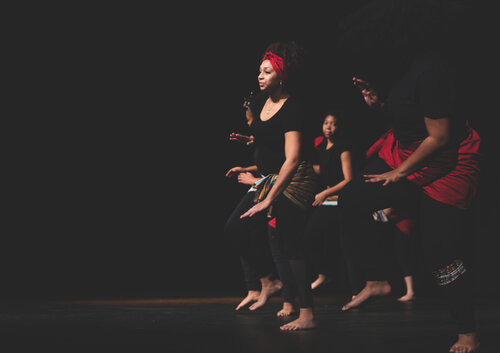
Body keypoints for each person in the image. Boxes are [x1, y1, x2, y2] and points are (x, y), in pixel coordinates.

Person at [336, 1, 481, 351]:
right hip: (404, 149)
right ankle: (376, 281)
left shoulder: (432, 68)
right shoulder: (395, 67)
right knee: (351, 200)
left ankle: (468, 332)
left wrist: (400, 173)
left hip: (447, 161)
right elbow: (406, 112)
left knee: (440, 255)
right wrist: (376, 103)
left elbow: (440, 137)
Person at [224, 41, 319, 331]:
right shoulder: (259, 103)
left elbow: (291, 159)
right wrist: (252, 144)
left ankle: (307, 314)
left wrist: (268, 200)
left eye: (267, 72)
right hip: (267, 179)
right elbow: (271, 143)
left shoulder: (293, 109)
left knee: (291, 247)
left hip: (293, 181)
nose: (260, 76)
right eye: (259, 71)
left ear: (283, 75)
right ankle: (269, 280)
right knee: (234, 230)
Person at [226, 94, 296, 317]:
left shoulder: (282, 133)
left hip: (277, 187)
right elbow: (267, 161)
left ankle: (286, 299)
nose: (248, 125)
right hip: (263, 184)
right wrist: (246, 167)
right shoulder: (263, 138)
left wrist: (255, 180)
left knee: (278, 245)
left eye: (250, 121)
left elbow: (285, 167)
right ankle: (258, 286)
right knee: (238, 231)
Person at [302, 111, 360, 296]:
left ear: (339, 127)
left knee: (346, 245)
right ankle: (323, 275)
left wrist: (325, 192)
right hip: (329, 200)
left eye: (333, 123)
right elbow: (325, 169)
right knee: (311, 235)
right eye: (326, 122)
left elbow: (348, 179)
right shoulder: (322, 147)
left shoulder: (344, 148)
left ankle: (356, 290)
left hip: (342, 200)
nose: (328, 126)